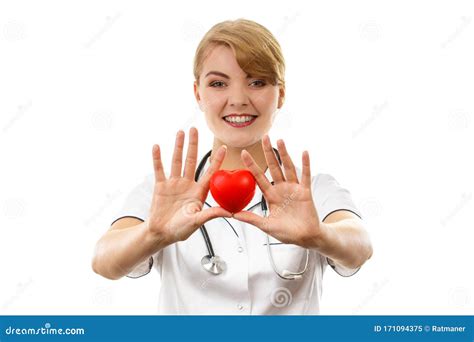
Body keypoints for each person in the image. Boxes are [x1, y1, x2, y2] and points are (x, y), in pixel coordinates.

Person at [92, 18, 373, 314]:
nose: (238, 100)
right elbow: (103, 261)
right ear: (198, 93)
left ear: (282, 94)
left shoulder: (314, 189)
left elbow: (360, 246)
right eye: (218, 84)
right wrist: (154, 234)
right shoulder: (163, 193)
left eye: (257, 82)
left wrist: (319, 236)